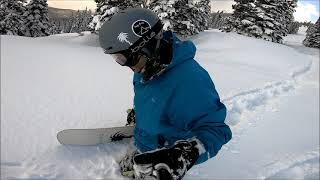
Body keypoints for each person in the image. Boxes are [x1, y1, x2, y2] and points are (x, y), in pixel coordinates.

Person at [99, 8, 232, 180]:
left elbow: (216, 131)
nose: (125, 65)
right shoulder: (145, 68)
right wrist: (139, 114)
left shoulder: (189, 80)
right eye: (118, 59)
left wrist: (184, 155)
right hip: (145, 143)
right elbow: (152, 99)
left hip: (162, 158)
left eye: (125, 59)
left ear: (146, 47)